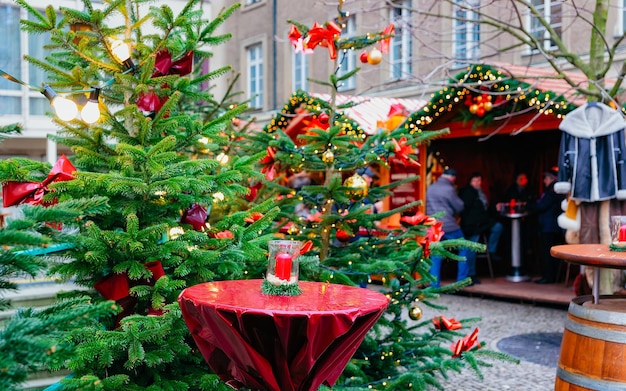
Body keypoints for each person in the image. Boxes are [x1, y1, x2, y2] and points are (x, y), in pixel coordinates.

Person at [426, 168, 472, 287]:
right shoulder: (449, 189)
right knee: (464, 247)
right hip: (449, 226)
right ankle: (461, 280)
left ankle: (434, 284)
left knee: (436, 254)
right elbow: (459, 206)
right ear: (452, 178)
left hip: (434, 226)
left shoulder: (431, 188)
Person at [458, 172, 503, 283]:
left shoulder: (482, 193)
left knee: (498, 227)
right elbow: (465, 210)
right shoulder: (466, 193)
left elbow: (485, 210)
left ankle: (491, 250)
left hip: (482, 223)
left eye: (479, 180)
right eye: (475, 181)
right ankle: (470, 275)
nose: (478, 183)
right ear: (470, 181)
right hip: (472, 225)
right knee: (472, 249)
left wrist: (494, 208)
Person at [528, 169, 566, 284]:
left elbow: (542, 205)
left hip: (548, 226)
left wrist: (529, 205)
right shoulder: (557, 190)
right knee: (553, 253)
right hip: (554, 226)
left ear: (551, 179)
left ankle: (548, 277)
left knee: (547, 253)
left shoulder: (552, 190)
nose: (544, 181)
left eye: (546, 178)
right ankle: (554, 276)